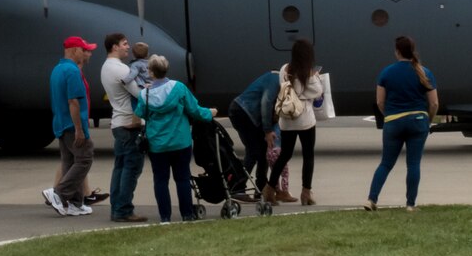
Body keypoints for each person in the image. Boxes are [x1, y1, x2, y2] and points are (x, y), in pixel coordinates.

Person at [138, 53, 214, 223]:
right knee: (182, 178)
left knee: (160, 180)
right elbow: (194, 109)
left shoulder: (145, 94)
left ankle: (165, 216)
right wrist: (209, 113)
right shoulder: (179, 88)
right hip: (180, 141)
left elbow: (141, 114)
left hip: (157, 143)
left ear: (151, 72)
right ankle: (186, 213)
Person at [368, 36, 437, 212]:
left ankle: (371, 199)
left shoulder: (386, 73)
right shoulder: (424, 72)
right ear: (413, 50)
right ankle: (410, 204)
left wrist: (389, 116)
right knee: (413, 164)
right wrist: (427, 120)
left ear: (397, 51)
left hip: (393, 122)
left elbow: (380, 102)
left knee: (385, 164)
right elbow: (434, 103)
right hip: (418, 120)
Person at [272, 39, 332, 207]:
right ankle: (306, 192)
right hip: (304, 120)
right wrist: (316, 77)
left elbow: (284, 87)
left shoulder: (285, 69)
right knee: (308, 155)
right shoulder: (308, 74)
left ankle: (269, 188)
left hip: (287, 120)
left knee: (285, 154)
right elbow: (317, 92)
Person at [42, 36, 96, 216]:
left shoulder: (57, 69)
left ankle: (74, 202)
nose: (87, 53)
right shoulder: (72, 71)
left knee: (69, 161)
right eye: (84, 49)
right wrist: (80, 129)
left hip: (60, 122)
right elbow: (74, 101)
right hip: (72, 124)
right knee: (85, 159)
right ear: (75, 50)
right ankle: (59, 193)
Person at [99, 33, 147, 224]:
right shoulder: (120, 69)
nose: (128, 47)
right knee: (132, 168)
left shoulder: (106, 67)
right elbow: (139, 93)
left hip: (118, 122)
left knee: (120, 167)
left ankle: (117, 208)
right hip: (129, 124)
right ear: (114, 47)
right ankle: (123, 209)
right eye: (125, 44)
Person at [227, 67, 283, 202]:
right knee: (253, 151)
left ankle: (261, 189)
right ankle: (237, 188)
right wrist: (268, 130)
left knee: (263, 150)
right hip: (243, 112)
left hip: (249, 115)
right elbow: (266, 103)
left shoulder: (277, 79)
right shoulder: (275, 79)